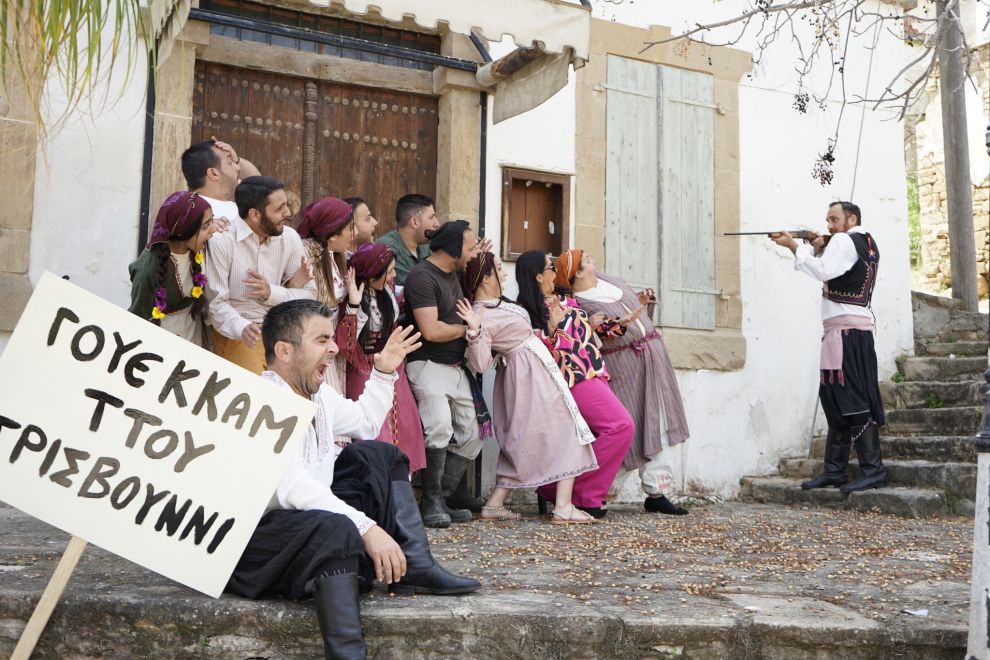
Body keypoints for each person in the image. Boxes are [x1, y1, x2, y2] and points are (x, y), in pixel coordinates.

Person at [227, 299, 479, 660]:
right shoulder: (262, 401)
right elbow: (290, 487)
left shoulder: (317, 393)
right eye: (321, 340)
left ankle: (415, 565)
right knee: (339, 529)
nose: (334, 348)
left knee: (379, 456)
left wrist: (383, 372)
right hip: (261, 543)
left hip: (312, 526)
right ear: (284, 351)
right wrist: (366, 527)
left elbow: (364, 422)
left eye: (331, 338)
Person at [459, 252, 598, 523]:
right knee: (566, 430)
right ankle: (563, 506)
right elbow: (480, 363)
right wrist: (475, 331)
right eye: (499, 269)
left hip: (536, 371)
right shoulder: (480, 314)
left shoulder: (500, 305)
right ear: (486, 278)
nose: (504, 273)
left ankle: (495, 504)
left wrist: (553, 326)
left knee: (527, 437)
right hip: (526, 379)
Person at [556, 248, 691, 516]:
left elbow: (628, 304)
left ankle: (657, 491)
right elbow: (601, 333)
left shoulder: (611, 281)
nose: (593, 260)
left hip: (653, 358)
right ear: (578, 273)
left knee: (659, 421)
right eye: (587, 260)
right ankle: (597, 494)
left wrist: (641, 300)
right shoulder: (579, 303)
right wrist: (620, 323)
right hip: (623, 364)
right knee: (627, 427)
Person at [771, 201, 886, 493]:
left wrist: (796, 248)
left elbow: (823, 270)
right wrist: (817, 243)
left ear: (852, 219)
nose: (830, 225)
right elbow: (838, 265)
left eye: (834, 219)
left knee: (854, 400)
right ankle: (834, 470)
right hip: (847, 331)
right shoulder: (865, 242)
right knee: (835, 399)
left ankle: (873, 470)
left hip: (846, 333)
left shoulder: (845, 241)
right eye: (827, 220)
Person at [515, 250, 634, 519]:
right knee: (621, 427)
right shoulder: (529, 312)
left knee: (605, 431)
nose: (555, 271)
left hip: (594, 370)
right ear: (538, 275)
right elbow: (540, 353)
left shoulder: (565, 297)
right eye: (549, 267)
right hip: (572, 377)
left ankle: (563, 489)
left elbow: (583, 333)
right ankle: (577, 492)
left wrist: (615, 326)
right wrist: (553, 328)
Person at [403, 220, 487, 527]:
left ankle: (445, 496)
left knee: (474, 434)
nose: (472, 255)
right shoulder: (422, 277)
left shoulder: (454, 274)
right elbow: (431, 329)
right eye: (468, 248)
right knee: (438, 426)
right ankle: (431, 502)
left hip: (455, 367)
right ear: (452, 248)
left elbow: (481, 269)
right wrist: (469, 329)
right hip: (427, 364)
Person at [204, 176, 315, 374]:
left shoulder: (289, 238)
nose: (288, 213)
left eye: (286, 206)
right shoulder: (222, 241)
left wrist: (271, 293)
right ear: (255, 214)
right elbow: (216, 304)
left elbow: (310, 295)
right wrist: (242, 327)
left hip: (284, 333)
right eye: (279, 208)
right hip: (241, 336)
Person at [335, 243, 427, 474]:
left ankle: (400, 483)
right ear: (374, 274)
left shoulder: (388, 290)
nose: (394, 275)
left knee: (403, 423)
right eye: (391, 270)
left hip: (394, 367)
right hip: (363, 369)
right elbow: (345, 345)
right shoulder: (352, 298)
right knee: (374, 426)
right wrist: (354, 306)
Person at [128, 191, 218, 348]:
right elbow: (137, 319)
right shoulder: (147, 270)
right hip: (163, 347)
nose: (213, 230)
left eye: (212, 221)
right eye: (205, 226)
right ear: (184, 231)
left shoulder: (200, 247)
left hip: (195, 340)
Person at [297, 196, 356, 397]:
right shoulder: (305, 254)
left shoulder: (343, 257)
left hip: (333, 349)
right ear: (332, 236)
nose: (353, 234)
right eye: (349, 228)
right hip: (313, 348)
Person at [180, 137, 260, 223]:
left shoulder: (226, 201)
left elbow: (257, 182)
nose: (238, 167)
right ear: (213, 174)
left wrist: (237, 159)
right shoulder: (204, 215)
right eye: (230, 162)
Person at [376, 194, 439, 289]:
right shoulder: (386, 247)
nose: (437, 224)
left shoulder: (426, 246)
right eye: (431, 217)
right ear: (414, 222)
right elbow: (411, 286)